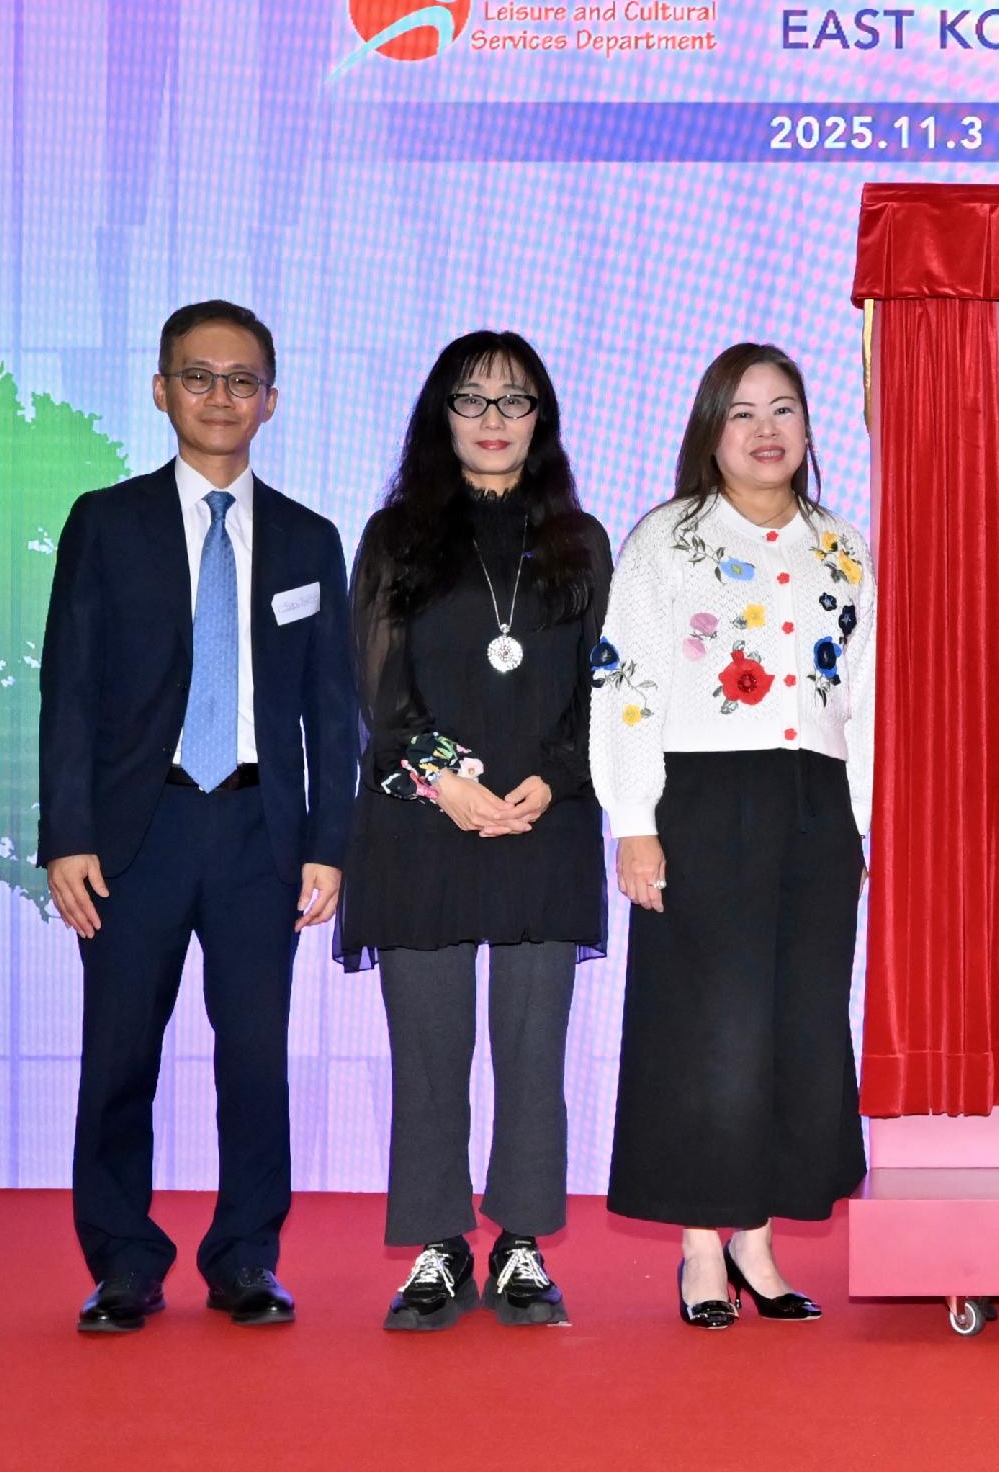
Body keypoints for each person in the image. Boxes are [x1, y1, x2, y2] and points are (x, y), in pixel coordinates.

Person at [38, 301, 361, 1334]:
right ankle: (123, 1260)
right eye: (197, 375)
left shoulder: (311, 537)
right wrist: (66, 833)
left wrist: (329, 843)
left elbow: (332, 711)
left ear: (271, 398)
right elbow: (70, 691)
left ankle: (245, 1258)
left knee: (255, 1058)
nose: (219, 396)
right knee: (119, 1052)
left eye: (241, 379)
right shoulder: (106, 520)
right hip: (138, 832)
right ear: (160, 388)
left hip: (260, 831)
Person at [592, 343, 875, 1329]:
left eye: (784, 409)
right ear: (710, 428)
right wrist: (635, 823)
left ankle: (759, 1239)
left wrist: (866, 823)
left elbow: (868, 700)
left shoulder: (843, 546)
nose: (766, 430)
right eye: (743, 411)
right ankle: (702, 1248)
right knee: (704, 1027)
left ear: (806, 427)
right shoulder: (665, 540)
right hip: (703, 800)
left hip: (818, 804)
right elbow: (625, 686)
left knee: (798, 1025)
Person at [339, 332, 614, 1331]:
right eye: (471, 398)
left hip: (548, 818)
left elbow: (607, 683)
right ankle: (438, 1243)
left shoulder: (580, 541)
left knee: (533, 1046)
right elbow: (379, 690)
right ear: (439, 415)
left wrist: (551, 777)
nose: (493, 418)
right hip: (424, 823)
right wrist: (447, 780)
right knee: (430, 1045)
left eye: (514, 399)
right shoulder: (396, 535)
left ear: (541, 417)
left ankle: (524, 1241)